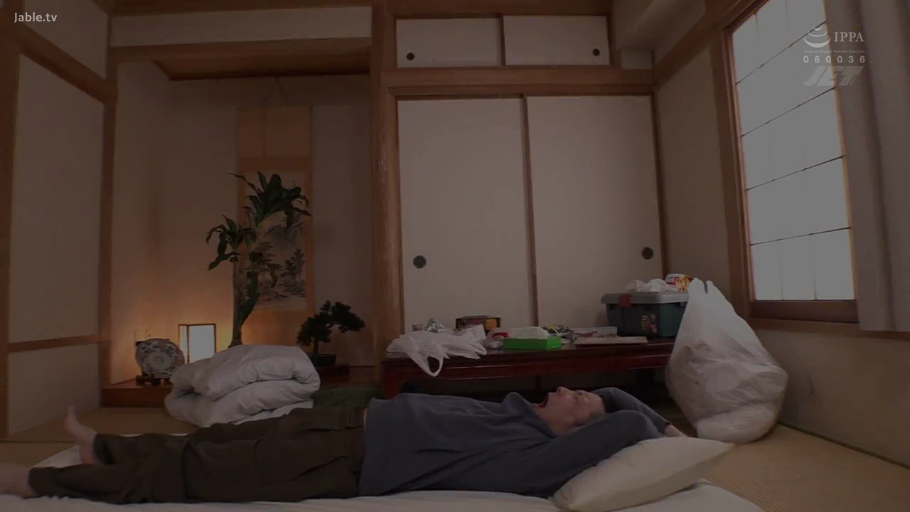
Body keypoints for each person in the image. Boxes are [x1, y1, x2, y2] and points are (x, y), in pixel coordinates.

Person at [0, 387, 683, 503]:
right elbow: (610, 402)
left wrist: (664, 429)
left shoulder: (535, 455)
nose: (568, 391)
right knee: (215, 437)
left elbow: (624, 421)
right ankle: (104, 447)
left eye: (578, 401)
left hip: (340, 461)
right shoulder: (520, 412)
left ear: (577, 432)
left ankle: (38, 483)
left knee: (198, 470)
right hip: (344, 423)